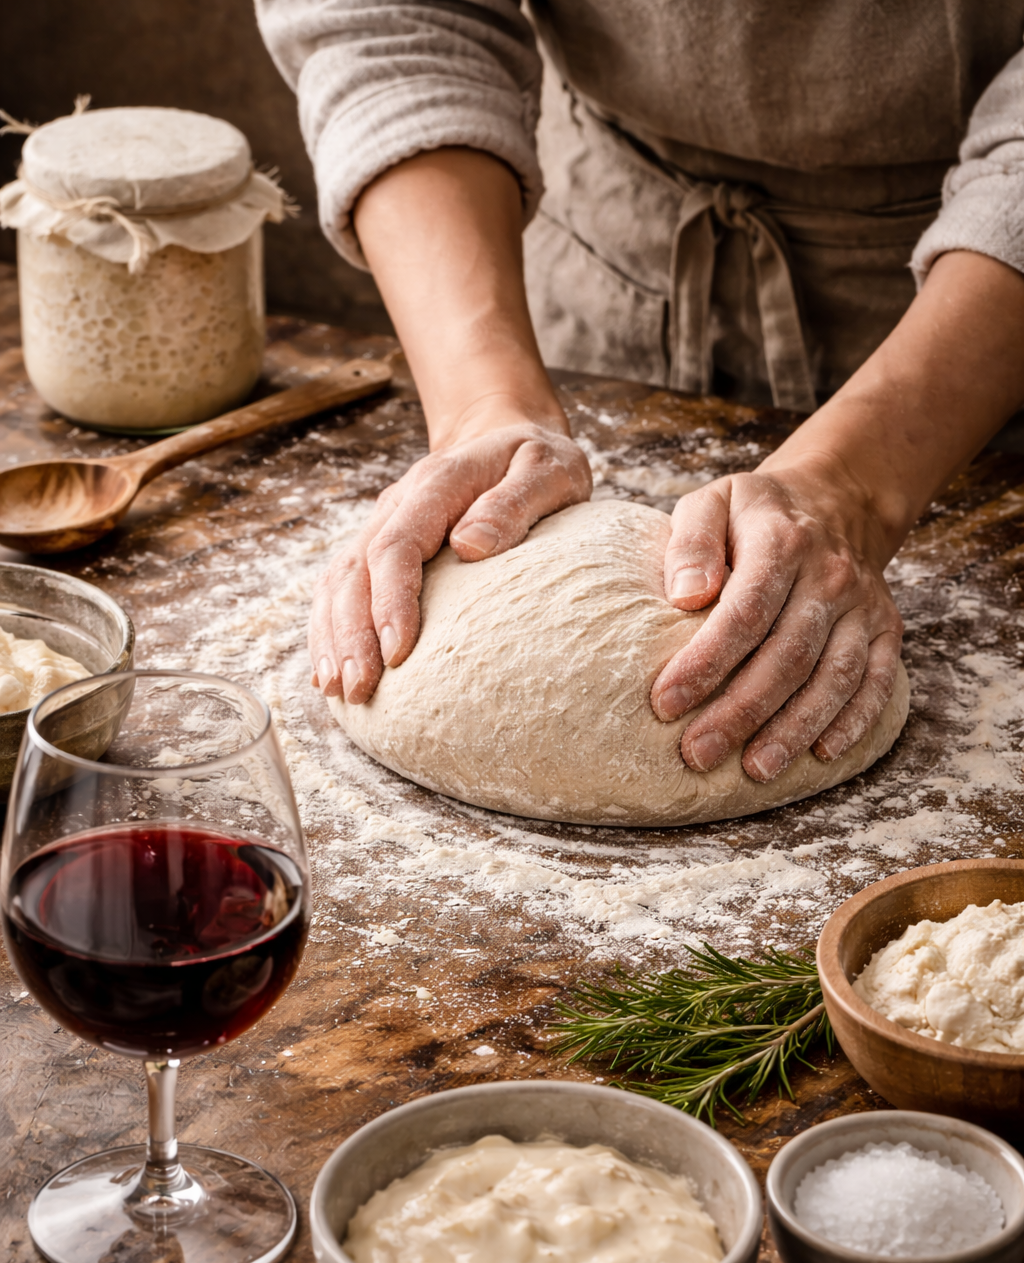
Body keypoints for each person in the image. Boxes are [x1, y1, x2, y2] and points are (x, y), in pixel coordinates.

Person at [257, 2, 1024, 783]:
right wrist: (482, 406)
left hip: (986, 314)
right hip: (608, 248)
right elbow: (395, 21)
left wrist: (857, 486)